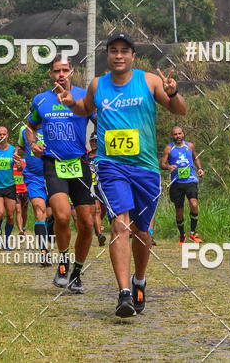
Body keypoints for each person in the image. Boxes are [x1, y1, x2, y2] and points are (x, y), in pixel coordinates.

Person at [56, 32, 186, 318]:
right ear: (108, 55)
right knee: (120, 225)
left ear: (132, 56)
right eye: (113, 50)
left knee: (142, 232)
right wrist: (69, 102)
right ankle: (124, 293)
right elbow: (84, 108)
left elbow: (179, 111)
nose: (118, 55)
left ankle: (139, 280)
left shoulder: (149, 81)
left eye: (124, 51)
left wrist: (173, 92)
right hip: (110, 166)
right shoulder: (97, 85)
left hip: (146, 168)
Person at [23, 54, 96, 293]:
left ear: (72, 72)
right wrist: (32, 143)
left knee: (86, 222)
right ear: (51, 74)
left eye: (65, 70)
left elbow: (102, 121)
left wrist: (101, 147)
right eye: (56, 71)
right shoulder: (41, 100)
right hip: (53, 164)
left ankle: (76, 273)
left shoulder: (85, 97)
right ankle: (63, 262)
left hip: (80, 163)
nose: (61, 75)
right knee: (63, 217)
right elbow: (30, 126)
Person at [16, 124, 53, 265]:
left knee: (52, 214)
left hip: (53, 175)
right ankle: (44, 252)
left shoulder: (53, 123)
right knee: (39, 211)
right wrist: (16, 156)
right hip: (34, 177)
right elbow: (20, 147)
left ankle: (49, 228)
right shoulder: (24, 129)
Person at [160, 125, 204, 244]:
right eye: (175, 134)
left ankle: (193, 233)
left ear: (183, 134)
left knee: (194, 205)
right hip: (177, 183)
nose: (178, 136)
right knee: (179, 212)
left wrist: (200, 169)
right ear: (171, 136)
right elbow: (161, 164)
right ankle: (182, 235)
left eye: (179, 134)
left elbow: (196, 158)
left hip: (190, 180)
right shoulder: (169, 148)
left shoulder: (189, 146)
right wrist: (169, 167)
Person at [87, 135, 106, 246]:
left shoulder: (102, 155)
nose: (94, 143)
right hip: (91, 186)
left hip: (102, 185)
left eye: (96, 141)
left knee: (103, 210)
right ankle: (99, 235)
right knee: (97, 210)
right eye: (92, 141)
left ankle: (97, 226)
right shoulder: (86, 156)